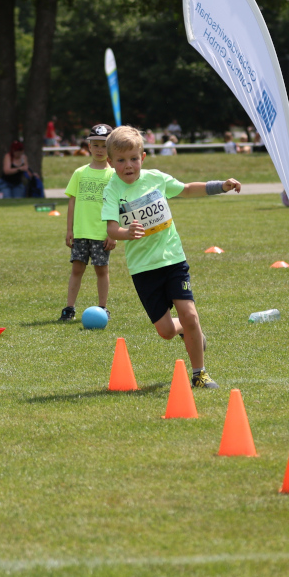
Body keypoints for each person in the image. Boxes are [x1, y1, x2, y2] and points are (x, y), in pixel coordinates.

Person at [101, 125, 241, 389]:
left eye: (133, 158)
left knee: (190, 315)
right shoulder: (112, 191)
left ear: (142, 157)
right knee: (166, 331)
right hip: (143, 269)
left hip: (173, 259)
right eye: (120, 160)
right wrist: (126, 232)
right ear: (110, 162)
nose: (128, 165)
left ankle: (199, 374)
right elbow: (110, 229)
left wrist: (220, 186)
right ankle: (190, 333)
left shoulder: (155, 178)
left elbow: (187, 189)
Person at [60, 123, 117, 321]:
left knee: (102, 271)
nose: (100, 149)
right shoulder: (80, 173)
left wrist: (112, 233)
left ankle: (103, 308)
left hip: (102, 234)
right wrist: (69, 229)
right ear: (89, 147)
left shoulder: (113, 175)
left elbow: (117, 205)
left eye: (104, 145)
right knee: (77, 269)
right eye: (96, 145)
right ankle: (69, 308)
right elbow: (72, 202)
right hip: (81, 232)